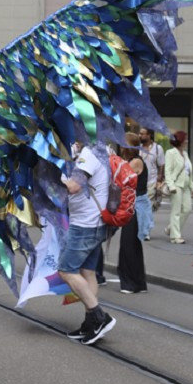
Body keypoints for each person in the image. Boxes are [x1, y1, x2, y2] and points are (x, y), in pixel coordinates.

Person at [58, 141, 116, 344]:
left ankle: (99, 316)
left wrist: (50, 177)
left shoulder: (90, 153)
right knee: (87, 272)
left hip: (86, 225)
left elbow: (73, 186)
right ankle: (91, 323)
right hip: (95, 222)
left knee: (66, 270)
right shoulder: (101, 149)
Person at [117, 134, 147, 294]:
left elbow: (121, 179)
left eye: (124, 145)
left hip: (135, 207)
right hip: (133, 206)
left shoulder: (135, 162)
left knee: (128, 244)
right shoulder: (133, 161)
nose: (121, 147)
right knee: (133, 244)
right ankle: (138, 282)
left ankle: (131, 283)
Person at [164, 131, 193, 243]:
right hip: (176, 185)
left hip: (186, 185)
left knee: (187, 209)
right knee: (176, 211)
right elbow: (167, 171)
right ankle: (175, 237)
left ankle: (170, 228)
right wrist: (171, 185)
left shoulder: (185, 154)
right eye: (185, 139)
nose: (187, 141)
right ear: (180, 141)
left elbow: (188, 172)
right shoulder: (170, 153)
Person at [138, 128, 164, 238]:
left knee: (147, 206)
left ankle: (146, 230)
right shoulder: (137, 148)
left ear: (149, 135)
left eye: (142, 134)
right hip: (139, 181)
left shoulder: (157, 148)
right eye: (139, 133)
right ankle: (143, 228)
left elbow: (162, 164)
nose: (139, 135)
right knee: (141, 207)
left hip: (151, 181)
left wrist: (159, 178)